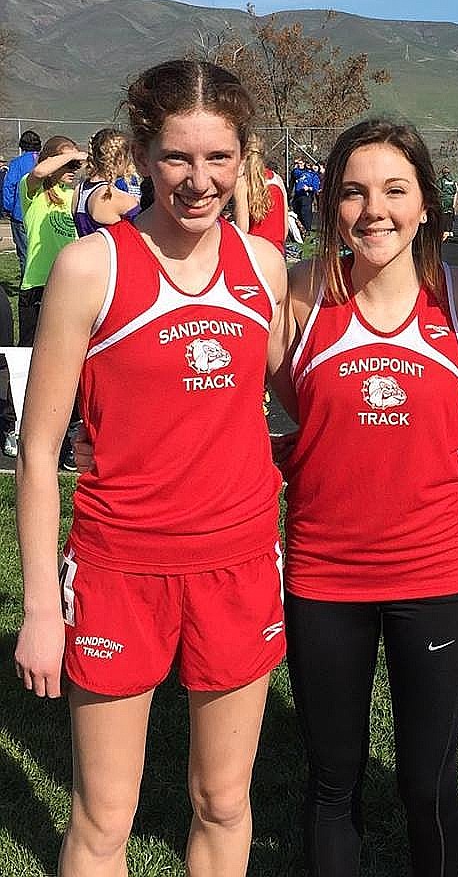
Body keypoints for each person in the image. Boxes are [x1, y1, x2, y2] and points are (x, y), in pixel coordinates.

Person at [14, 58, 289, 877]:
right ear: (139, 154)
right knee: (104, 818)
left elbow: (270, 400)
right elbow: (36, 453)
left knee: (224, 803)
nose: (198, 180)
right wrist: (39, 608)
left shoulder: (263, 267)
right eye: (177, 156)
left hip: (238, 565)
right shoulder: (91, 267)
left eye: (217, 158)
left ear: (244, 159)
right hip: (118, 567)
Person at [278, 118, 458, 877]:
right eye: (354, 192)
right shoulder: (298, 297)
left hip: (434, 577)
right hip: (325, 578)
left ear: (426, 201)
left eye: (395, 189)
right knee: (333, 783)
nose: (374, 210)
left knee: (428, 783)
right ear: (330, 205)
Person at [18, 135, 85, 348]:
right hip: (37, 283)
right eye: (67, 164)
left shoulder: (74, 194)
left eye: (76, 165)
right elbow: (38, 172)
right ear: (50, 160)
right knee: (30, 352)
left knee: (64, 349)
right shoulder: (33, 190)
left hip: (68, 284)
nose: (73, 168)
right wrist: (73, 155)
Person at [72, 128, 141, 237]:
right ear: (120, 159)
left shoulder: (79, 191)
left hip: (87, 252)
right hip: (112, 253)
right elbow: (146, 231)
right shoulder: (117, 197)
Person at [234, 132, 289, 257]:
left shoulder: (242, 182)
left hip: (254, 254)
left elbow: (242, 230)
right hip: (277, 253)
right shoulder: (278, 179)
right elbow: (285, 230)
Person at [2, 129, 42, 275]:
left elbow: (9, 185)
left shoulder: (17, 163)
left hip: (20, 214)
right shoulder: (44, 162)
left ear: (22, 146)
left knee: (25, 253)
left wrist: (8, 207)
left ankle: (28, 287)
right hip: (41, 213)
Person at [438, 164, 458, 238]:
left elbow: (438, 190)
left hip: (443, 199)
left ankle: (444, 230)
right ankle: (450, 230)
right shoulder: (453, 181)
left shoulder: (441, 180)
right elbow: (455, 190)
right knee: (450, 215)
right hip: (451, 199)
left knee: (444, 215)